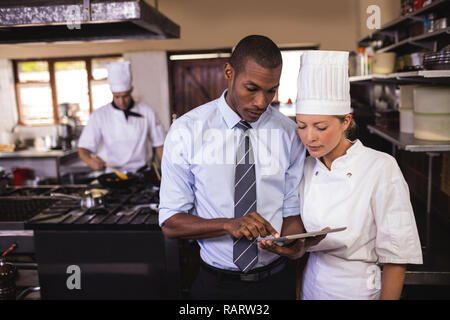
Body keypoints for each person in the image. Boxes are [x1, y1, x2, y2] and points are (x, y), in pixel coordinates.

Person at [158, 35, 325, 300]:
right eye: (252, 88)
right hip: (216, 286)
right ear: (229, 72)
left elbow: (290, 212)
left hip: (277, 282)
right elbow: (170, 222)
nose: (261, 101)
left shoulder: (289, 134)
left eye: (271, 90)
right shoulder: (187, 131)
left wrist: (295, 243)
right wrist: (228, 225)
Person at [263, 50, 423, 300]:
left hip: (357, 289)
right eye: (302, 126)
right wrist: (288, 248)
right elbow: (301, 251)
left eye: (321, 127)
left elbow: (397, 257)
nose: (309, 137)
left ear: (346, 121)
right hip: (311, 286)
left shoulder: (381, 167)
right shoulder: (304, 168)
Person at [78, 61, 166, 173]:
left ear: (131, 91)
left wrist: (166, 172)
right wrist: (90, 161)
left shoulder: (147, 111)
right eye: (117, 97)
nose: (121, 101)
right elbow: (83, 148)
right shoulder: (99, 115)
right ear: (112, 94)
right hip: (113, 174)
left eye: (125, 96)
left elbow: (160, 145)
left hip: (142, 174)